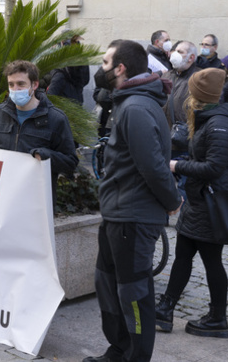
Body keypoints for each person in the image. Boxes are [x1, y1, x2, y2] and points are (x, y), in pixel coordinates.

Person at [84, 39, 181, 362]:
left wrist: (172, 200)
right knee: (108, 285)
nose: (101, 69)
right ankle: (119, 350)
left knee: (133, 293)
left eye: (105, 62)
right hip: (117, 213)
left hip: (133, 218)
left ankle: (135, 356)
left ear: (120, 68)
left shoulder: (137, 107)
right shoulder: (128, 102)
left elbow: (153, 166)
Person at [155, 68, 228, 339]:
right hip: (199, 199)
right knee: (183, 254)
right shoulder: (210, 118)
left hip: (211, 201)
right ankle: (166, 309)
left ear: (200, 94)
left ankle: (218, 319)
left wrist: (177, 165)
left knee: (212, 260)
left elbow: (215, 167)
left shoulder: (220, 124)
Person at [0, 60, 78, 204]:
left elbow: (70, 162)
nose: (15, 89)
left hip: (37, 202)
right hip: (2, 199)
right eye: (11, 84)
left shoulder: (55, 118)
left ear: (34, 85)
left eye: (21, 84)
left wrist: (46, 156)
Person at [161, 41, 200, 155]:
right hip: (162, 140)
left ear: (191, 57)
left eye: (180, 52)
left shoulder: (199, 78)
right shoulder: (166, 76)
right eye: (175, 51)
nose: (174, 54)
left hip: (183, 142)